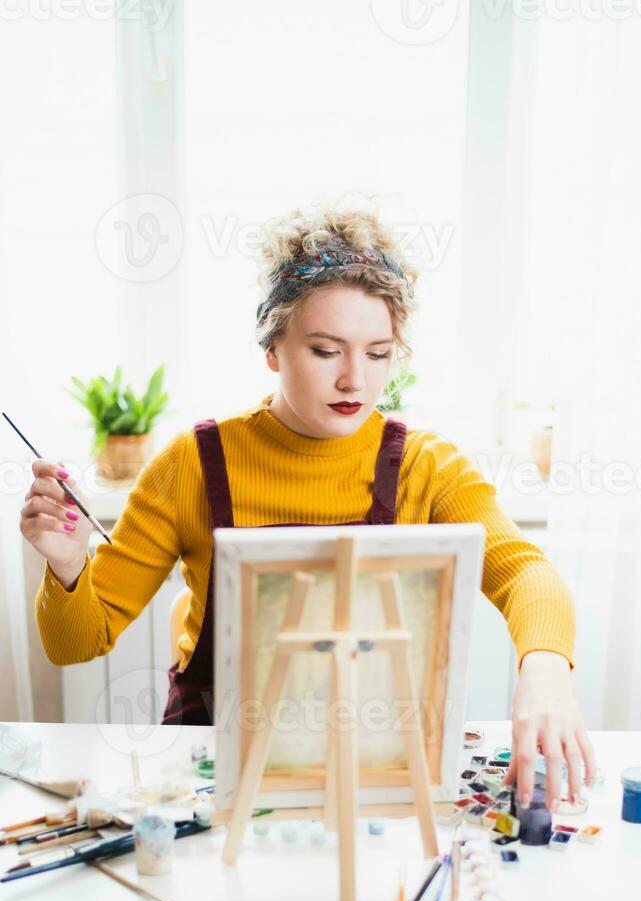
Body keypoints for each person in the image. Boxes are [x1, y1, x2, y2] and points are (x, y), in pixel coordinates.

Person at [21, 203, 595, 810]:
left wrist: (546, 675)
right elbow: (76, 643)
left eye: (378, 354)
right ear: (273, 349)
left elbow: (526, 573)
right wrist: (64, 565)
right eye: (326, 351)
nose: (357, 381)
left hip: (370, 759)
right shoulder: (192, 462)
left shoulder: (429, 466)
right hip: (214, 762)